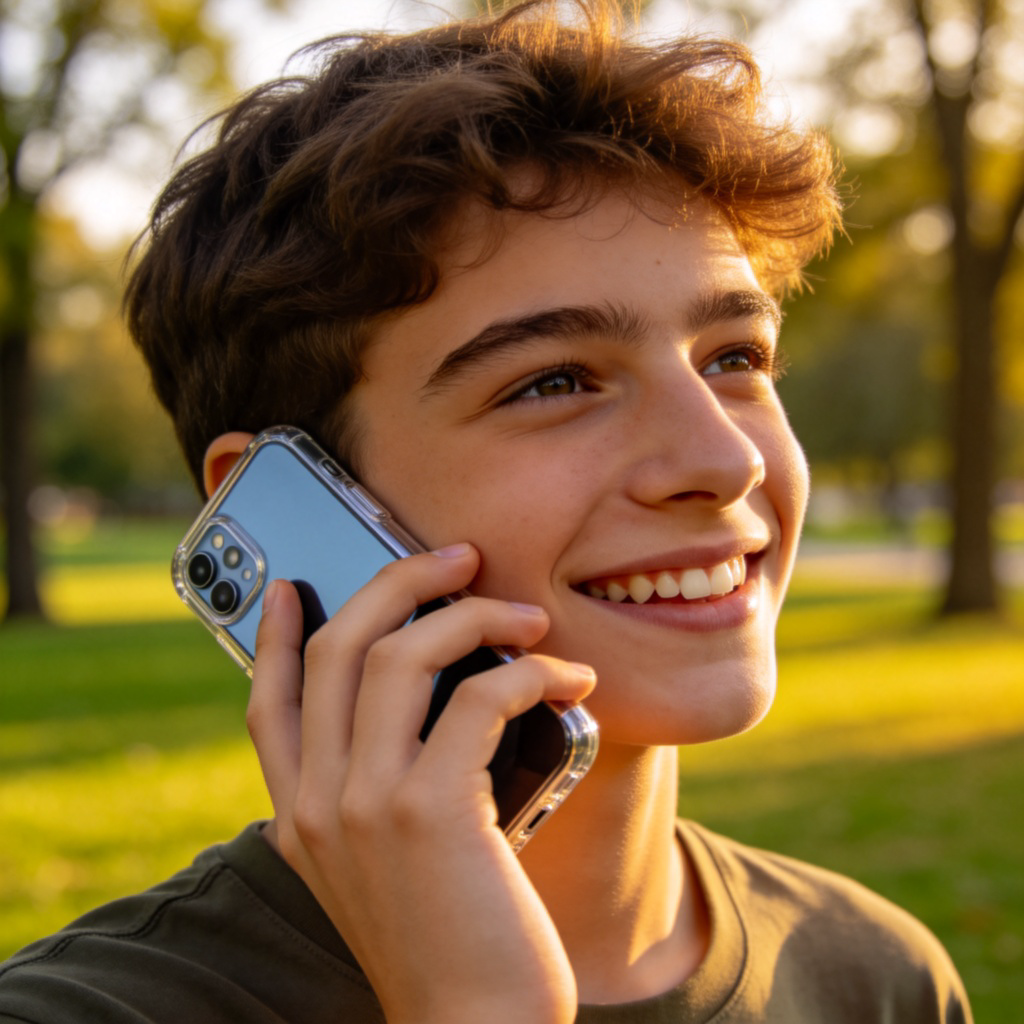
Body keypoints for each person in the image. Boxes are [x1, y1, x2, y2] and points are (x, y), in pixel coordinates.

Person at [0, 2, 972, 1021]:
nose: (722, 458)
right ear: (277, 504)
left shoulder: (876, 977)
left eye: (734, 357)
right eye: (554, 381)